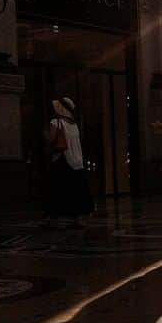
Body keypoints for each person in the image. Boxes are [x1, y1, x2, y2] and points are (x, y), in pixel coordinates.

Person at [44, 96, 93, 229]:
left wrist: (46, 136)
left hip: (62, 159)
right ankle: (77, 219)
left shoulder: (56, 122)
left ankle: (54, 220)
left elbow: (51, 140)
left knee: (58, 190)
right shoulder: (75, 125)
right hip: (76, 161)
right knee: (75, 191)